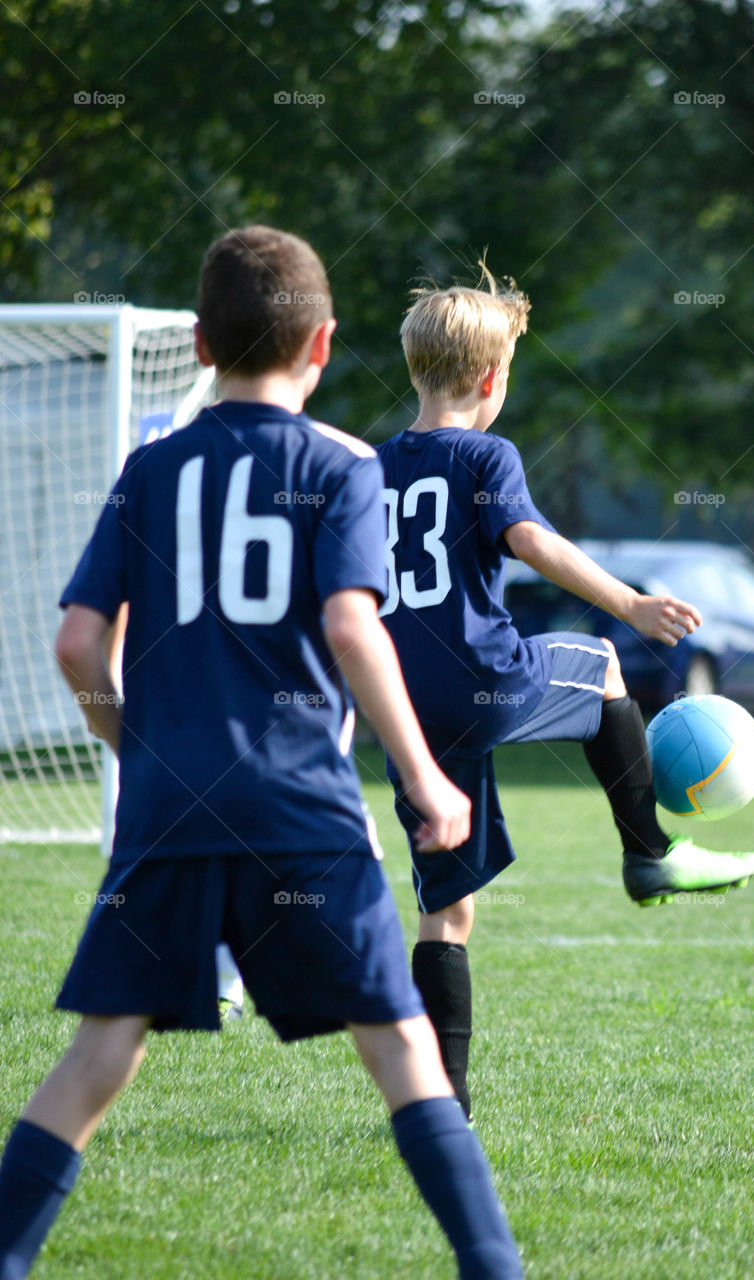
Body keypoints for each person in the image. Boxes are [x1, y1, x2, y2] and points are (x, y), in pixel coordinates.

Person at [0, 228, 523, 1280]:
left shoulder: (149, 468)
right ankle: (491, 1266)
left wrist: (133, 741)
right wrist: (423, 774)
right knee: (399, 1047)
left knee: (101, 1051)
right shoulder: (341, 464)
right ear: (323, 345)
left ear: (198, 344)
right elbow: (350, 626)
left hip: (167, 806)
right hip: (299, 805)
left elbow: (76, 644)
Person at [377, 266, 754, 1118]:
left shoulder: (371, 468)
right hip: (486, 679)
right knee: (601, 664)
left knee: (446, 913)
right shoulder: (487, 454)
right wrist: (629, 603)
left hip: (405, 710)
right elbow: (529, 539)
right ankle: (648, 853)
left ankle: (441, 1105)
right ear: (491, 379)